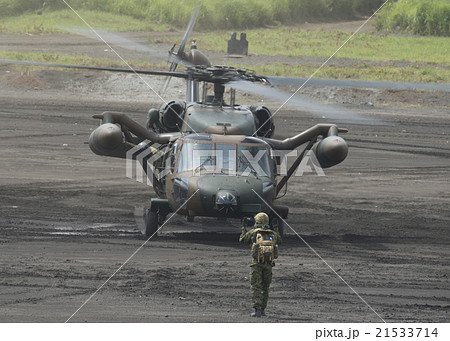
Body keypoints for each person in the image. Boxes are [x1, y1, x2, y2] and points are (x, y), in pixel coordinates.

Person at [239, 212, 282, 317]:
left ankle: (257, 309)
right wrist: (276, 228)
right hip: (269, 264)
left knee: (256, 286)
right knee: (265, 286)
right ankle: (263, 309)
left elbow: (242, 240)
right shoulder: (272, 234)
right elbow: (279, 241)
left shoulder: (254, 232)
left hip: (256, 263)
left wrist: (244, 227)